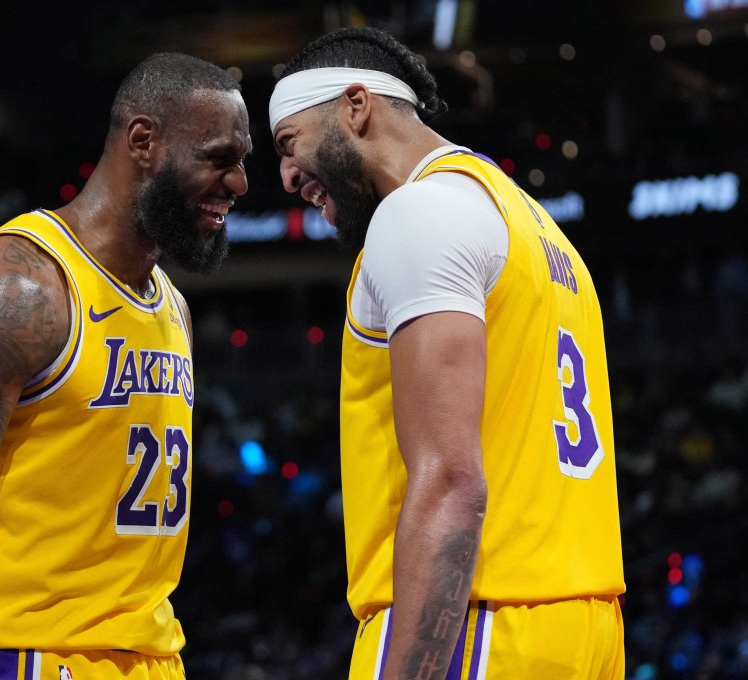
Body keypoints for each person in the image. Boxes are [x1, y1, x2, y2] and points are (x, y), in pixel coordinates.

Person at [268, 27, 625, 679]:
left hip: (481, 619)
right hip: (583, 623)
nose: (287, 176)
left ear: (356, 105)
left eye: (291, 144)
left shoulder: (418, 214)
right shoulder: (536, 228)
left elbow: (452, 481)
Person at [0, 52, 251, 680]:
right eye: (219, 158)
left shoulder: (174, 307)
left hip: (152, 657)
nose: (240, 183)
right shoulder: (18, 287)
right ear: (144, 141)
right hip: (32, 656)